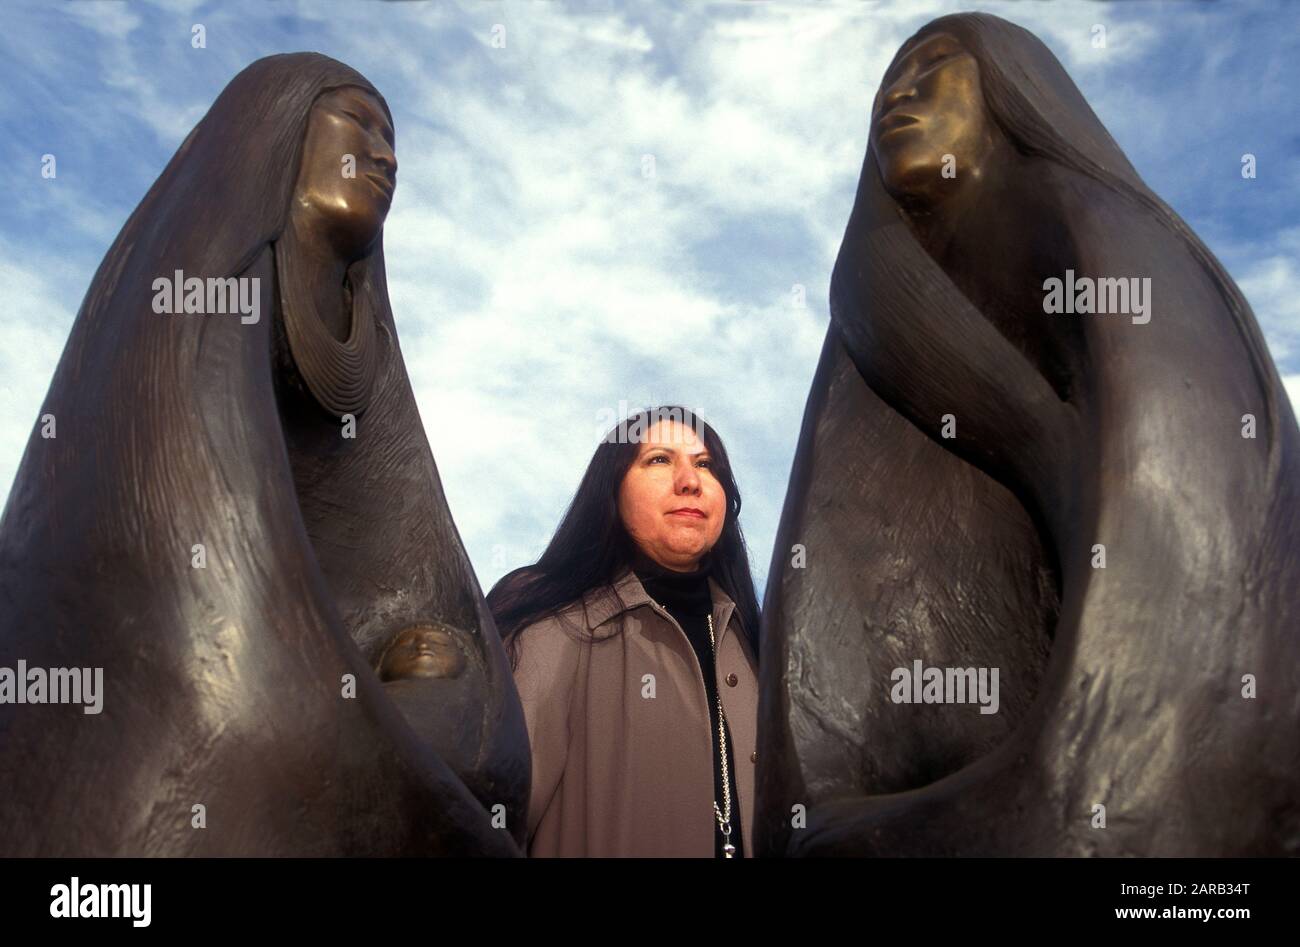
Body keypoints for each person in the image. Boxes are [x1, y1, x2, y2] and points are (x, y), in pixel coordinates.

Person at [487, 405, 761, 857]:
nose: (689, 480)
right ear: (611, 492)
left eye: (705, 464)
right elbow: (479, 817)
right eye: (658, 459)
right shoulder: (549, 622)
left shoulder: (759, 648)